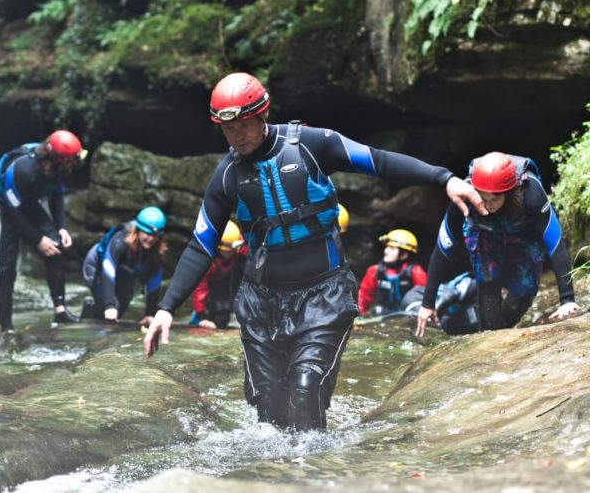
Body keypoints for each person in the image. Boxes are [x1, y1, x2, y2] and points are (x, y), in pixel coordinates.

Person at [143, 72, 486, 431]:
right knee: (270, 407)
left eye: (244, 125)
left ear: (263, 113)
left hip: (325, 294)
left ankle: (314, 472)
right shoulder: (226, 176)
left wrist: (443, 178)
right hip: (262, 303)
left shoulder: (311, 144)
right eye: (228, 129)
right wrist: (167, 308)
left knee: (305, 391)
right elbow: (201, 244)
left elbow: (378, 160)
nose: (237, 135)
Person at [415, 152, 581, 338]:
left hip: (523, 235)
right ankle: (487, 330)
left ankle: (499, 324)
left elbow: (556, 244)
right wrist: (427, 304)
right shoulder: (463, 196)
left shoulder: (531, 192)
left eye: (494, 199)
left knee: (522, 292)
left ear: (509, 193)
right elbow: (443, 248)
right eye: (483, 198)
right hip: (484, 233)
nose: (488, 204)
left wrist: (567, 300)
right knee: (489, 292)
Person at [0, 130, 87, 332]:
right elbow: (13, 212)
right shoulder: (25, 170)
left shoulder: (59, 169)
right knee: (4, 269)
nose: (75, 165)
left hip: (28, 203)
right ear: (58, 160)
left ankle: (60, 311)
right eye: (73, 161)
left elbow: (57, 197)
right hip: (4, 207)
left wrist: (62, 228)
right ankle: (7, 329)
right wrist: (37, 239)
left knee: (56, 247)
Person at [81, 206, 168, 324]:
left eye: (155, 236)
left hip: (126, 271)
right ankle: (92, 313)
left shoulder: (157, 251)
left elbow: (154, 281)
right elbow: (108, 270)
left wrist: (150, 313)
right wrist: (109, 305)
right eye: (147, 234)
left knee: (121, 307)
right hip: (97, 265)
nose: (151, 239)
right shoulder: (120, 240)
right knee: (107, 309)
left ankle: (99, 311)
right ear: (138, 231)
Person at [189, 222, 247, 329]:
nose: (233, 252)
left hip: (229, 279)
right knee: (213, 321)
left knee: (223, 318)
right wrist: (201, 316)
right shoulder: (206, 258)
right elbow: (200, 288)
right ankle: (198, 316)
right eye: (229, 250)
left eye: (234, 248)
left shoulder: (238, 243)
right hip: (212, 282)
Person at [357, 229, 428, 315]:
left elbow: (426, 298)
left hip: (408, 315)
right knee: (377, 310)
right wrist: (358, 316)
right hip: (384, 314)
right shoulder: (374, 271)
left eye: (392, 248)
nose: (386, 251)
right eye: (387, 247)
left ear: (404, 255)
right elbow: (362, 298)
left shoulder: (416, 272)